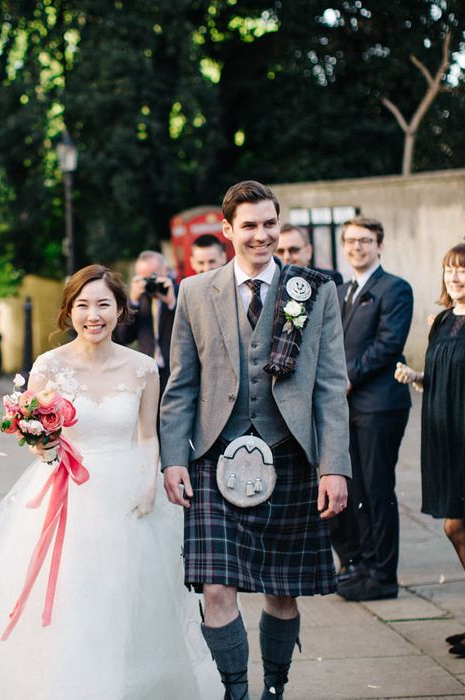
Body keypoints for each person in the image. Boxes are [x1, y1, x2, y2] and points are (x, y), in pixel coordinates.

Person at [0, 265, 221, 699]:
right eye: (83, 306)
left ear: (120, 310)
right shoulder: (48, 367)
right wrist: (41, 444)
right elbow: (37, 436)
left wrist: (149, 484)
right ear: (69, 312)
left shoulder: (143, 368)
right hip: (66, 491)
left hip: (129, 495)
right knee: (73, 596)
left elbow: (148, 436)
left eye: (104, 304)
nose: (94, 315)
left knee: (129, 600)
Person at [161, 180, 350, 700]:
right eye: (249, 226)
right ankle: (236, 690)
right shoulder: (195, 292)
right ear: (227, 231)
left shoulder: (315, 290)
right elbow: (181, 385)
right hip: (212, 456)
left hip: (290, 455)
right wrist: (173, 459)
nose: (261, 235)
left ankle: (275, 686)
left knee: (282, 591)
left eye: (270, 224)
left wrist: (335, 466)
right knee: (217, 585)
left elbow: (332, 384)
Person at [395, 242, 465, 656]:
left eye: (463, 270)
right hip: (445, 435)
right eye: (449, 270)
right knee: (460, 527)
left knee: (460, 526)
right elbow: (447, 375)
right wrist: (418, 376)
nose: (454, 277)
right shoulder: (443, 320)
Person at [332, 217, 413, 601]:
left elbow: (387, 344)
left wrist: (349, 377)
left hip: (380, 404)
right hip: (351, 406)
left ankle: (383, 575)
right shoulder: (344, 290)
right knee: (358, 487)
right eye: (350, 241)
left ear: (379, 245)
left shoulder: (395, 289)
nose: (356, 247)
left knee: (377, 489)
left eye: (365, 240)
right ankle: (364, 566)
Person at [115, 250, 177, 393]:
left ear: (166, 271)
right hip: (147, 373)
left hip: (175, 372)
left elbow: (190, 331)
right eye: (144, 279)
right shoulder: (138, 300)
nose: (150, 283)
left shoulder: (180, 293)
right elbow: (124, 337)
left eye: (154, 277)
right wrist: (133, 302)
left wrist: (172, 304)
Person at [276, 224, 343, 285]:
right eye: (280, 251)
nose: (286, 257)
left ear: (308, 251)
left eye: (293, 250)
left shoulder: (328, 280)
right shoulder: (270, 283)